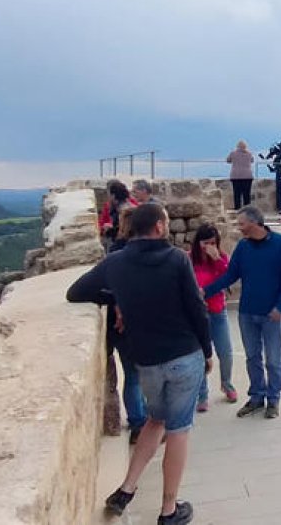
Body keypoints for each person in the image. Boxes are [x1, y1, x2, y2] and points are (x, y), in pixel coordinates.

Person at [66, 203, 213, 523]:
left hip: (146, 360)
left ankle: (127, 489)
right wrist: (208, 350)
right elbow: (196, 307)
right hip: (183, 356)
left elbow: (75, 293)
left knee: (155, 420)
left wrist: (117, 297)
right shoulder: (176, 259)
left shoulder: (115, 263)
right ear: (160, 227)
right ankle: (169, 510)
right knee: (178, 431)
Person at [202, 205, 281, 419]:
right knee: (252, 357)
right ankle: (256, 396)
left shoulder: (280, 244)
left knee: (272, 358)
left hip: (272, 313)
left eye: (242, 224)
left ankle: (273, 399)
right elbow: (230, 276)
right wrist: (205, 292)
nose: (239, 228)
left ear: (255, 223)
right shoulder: (243, 247)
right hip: (247, 312)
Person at [106, 206, 147, 443]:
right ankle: (143, 421)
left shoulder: (114, 252)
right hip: (141, 324)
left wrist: (117, 305)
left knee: (132, 376)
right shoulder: (144, 253)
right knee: (140, 375)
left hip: (121, 326)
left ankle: (138, 423)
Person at [190, 223, 238, 409]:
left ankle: (227, 384)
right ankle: (202, 394)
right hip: (198, 314)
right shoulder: (189, 260)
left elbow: (228, 277)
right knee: (201, 355)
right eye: (206, 242)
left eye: (213, 242)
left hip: (217, 311)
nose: (209, 246)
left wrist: (218, 259)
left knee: (225, 352)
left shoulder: (221, 258)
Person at [99, 179, 136, 247]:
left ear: (113, 196)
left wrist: (109, 230)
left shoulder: (123, 211)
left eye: (109, 195)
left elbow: (124, 232)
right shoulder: (132, 205)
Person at [226, 141, 255, 210]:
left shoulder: (233, 153)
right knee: (247, 194)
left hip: (236, 176)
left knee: (237, 193)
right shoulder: (249, 154)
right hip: (247, 176)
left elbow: (228, 160)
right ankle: (247, 209)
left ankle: (237, 208)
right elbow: (252, 160)